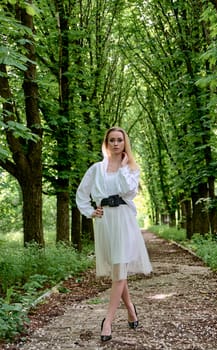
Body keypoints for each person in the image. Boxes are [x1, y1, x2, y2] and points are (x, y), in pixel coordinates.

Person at [76, 126, 152, 342]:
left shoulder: (132, 168)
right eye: (112, 140)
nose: (116, 143)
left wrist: (124, 167)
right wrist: (91, 211)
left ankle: (107, 321)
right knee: (118, 268)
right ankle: (130, 309)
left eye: (120, 140)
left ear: (124, 142)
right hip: (105, 221)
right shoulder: (96, 169)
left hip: (124, 219)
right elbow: (81, 193)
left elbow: (128, 191)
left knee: (119, 269)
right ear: (106, 143)